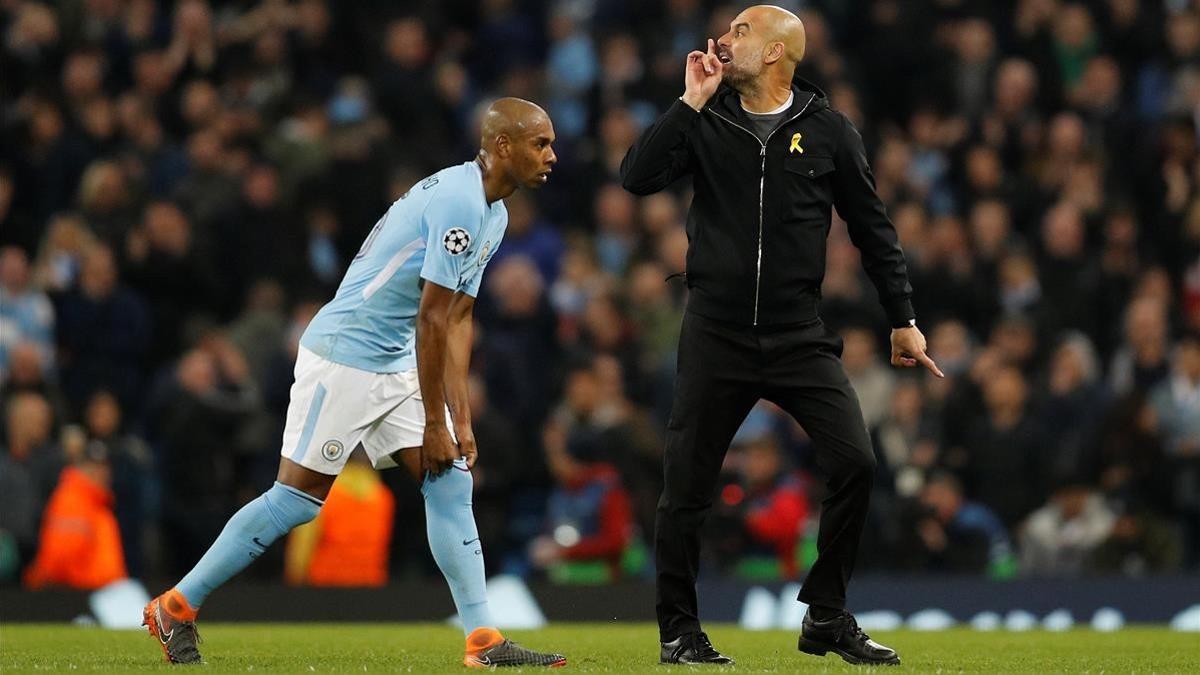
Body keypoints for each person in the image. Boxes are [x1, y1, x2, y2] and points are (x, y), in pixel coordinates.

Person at [142, 98, 566, 668]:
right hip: (345, 356)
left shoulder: (494, 213)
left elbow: (460, 317)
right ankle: (176, 605)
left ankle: (482, 638)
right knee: (295, 500)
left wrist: (460, 422)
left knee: (450, 479)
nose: (552, 156)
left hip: (394, 359)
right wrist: (437, 421)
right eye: (540, 143)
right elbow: (432, 318)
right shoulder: (461, 203)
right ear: (503, 147)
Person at [621, 5, 941, 666]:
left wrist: (903, 318)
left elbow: (873, 230)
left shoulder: (829, 132)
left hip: (799, 333)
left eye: (741, 30)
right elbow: (637, 176)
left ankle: (825, 614)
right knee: (686, 486)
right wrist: (689, 99)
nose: (724, 38)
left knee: (856, 460)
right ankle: (679, 631)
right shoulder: (705, 118)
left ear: (774, 52)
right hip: (717, 332)